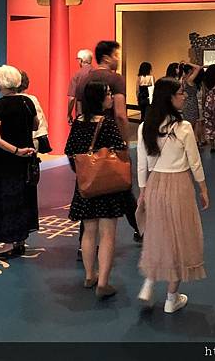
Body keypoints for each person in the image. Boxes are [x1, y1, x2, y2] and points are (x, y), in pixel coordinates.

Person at [136, 77, 209, 313]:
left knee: (158, 234)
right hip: (179, 184)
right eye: (180, 93)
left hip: (155, 184)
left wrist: (143, 191)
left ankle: (149, 282)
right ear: (169, 97)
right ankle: (171, 298)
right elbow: (195, 162)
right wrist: (203, 188)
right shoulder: (183, 127)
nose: (184, 96)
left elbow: (141, 164)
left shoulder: (145, 126)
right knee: (181, 239)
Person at [65, 81, 134, 299]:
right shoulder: (107, 123)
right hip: (107, 185)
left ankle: (89, 275)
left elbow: (70, 150)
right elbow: (120, 150)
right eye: (108, 94)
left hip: (85, 184)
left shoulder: (78, 122)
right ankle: (103, 282)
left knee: (88, 231)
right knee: (107, 235)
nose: (111, 97)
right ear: (99, 98)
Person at [75, 41, 141, 245]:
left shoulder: (84, 79)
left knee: (87, 189)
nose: (118, 59)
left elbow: (79, 111)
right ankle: (140, 229)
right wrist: (124, 142)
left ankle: (83, 244)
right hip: (110, 139)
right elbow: (120, 114)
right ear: (107, 57)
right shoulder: (115, 79)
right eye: (116, 55)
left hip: (87, 140)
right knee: (122, 186)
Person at [0, 65, 39, 258]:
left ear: (0, 83)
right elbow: (35, 125)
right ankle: (20, 240)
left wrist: (16, 151)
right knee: (24, 197)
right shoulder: (27, 102)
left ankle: (8, 243)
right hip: (27, 158)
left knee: (6, 199)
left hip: (6, 161)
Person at [17, 71, 49, 152]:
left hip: (18, 139)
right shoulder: (32, 99)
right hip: (34, 137)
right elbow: (40, 119)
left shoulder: (7, 101)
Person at [67, 49, 93, 125]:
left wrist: (69, 114)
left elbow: (72, 98)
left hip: (82, 114)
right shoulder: (97, 73)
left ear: (81, 60)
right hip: (97, 115)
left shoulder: (77, 75)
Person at [180, 61, 202, 132]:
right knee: (192, 126)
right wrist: (188, 63)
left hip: (186, 103)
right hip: (192, 103)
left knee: (188, 125)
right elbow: (198, 67)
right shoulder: (189, 79)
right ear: (190, 70)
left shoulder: (183, 79)